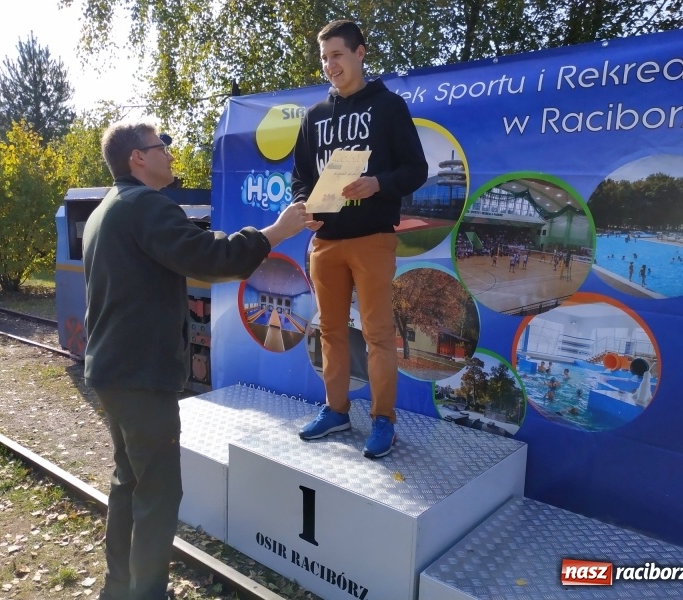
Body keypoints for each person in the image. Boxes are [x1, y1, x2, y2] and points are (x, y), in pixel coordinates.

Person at [84, 122, 311, 600]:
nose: (169, 152)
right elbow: (208, 257)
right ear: (136, 159)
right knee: (159, 495)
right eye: (160, 146)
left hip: (113, 371)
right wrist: (276, 232)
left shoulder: (107, 209)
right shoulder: (144, 205)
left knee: (130, 483)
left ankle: (118, 589)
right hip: (141, 377)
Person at [291, 19, 428, 459]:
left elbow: (416, 170)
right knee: (329, 331)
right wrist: (305, 209)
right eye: (324, 56)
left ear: (360, 53)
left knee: (378, 335)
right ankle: (336, 411)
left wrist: (378, 184)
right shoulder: (314, 117)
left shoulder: (388, 106)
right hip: (325, 243)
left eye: (337, 55)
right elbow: (299, 178)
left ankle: (383, 421)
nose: (330, 65)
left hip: (372, 238)